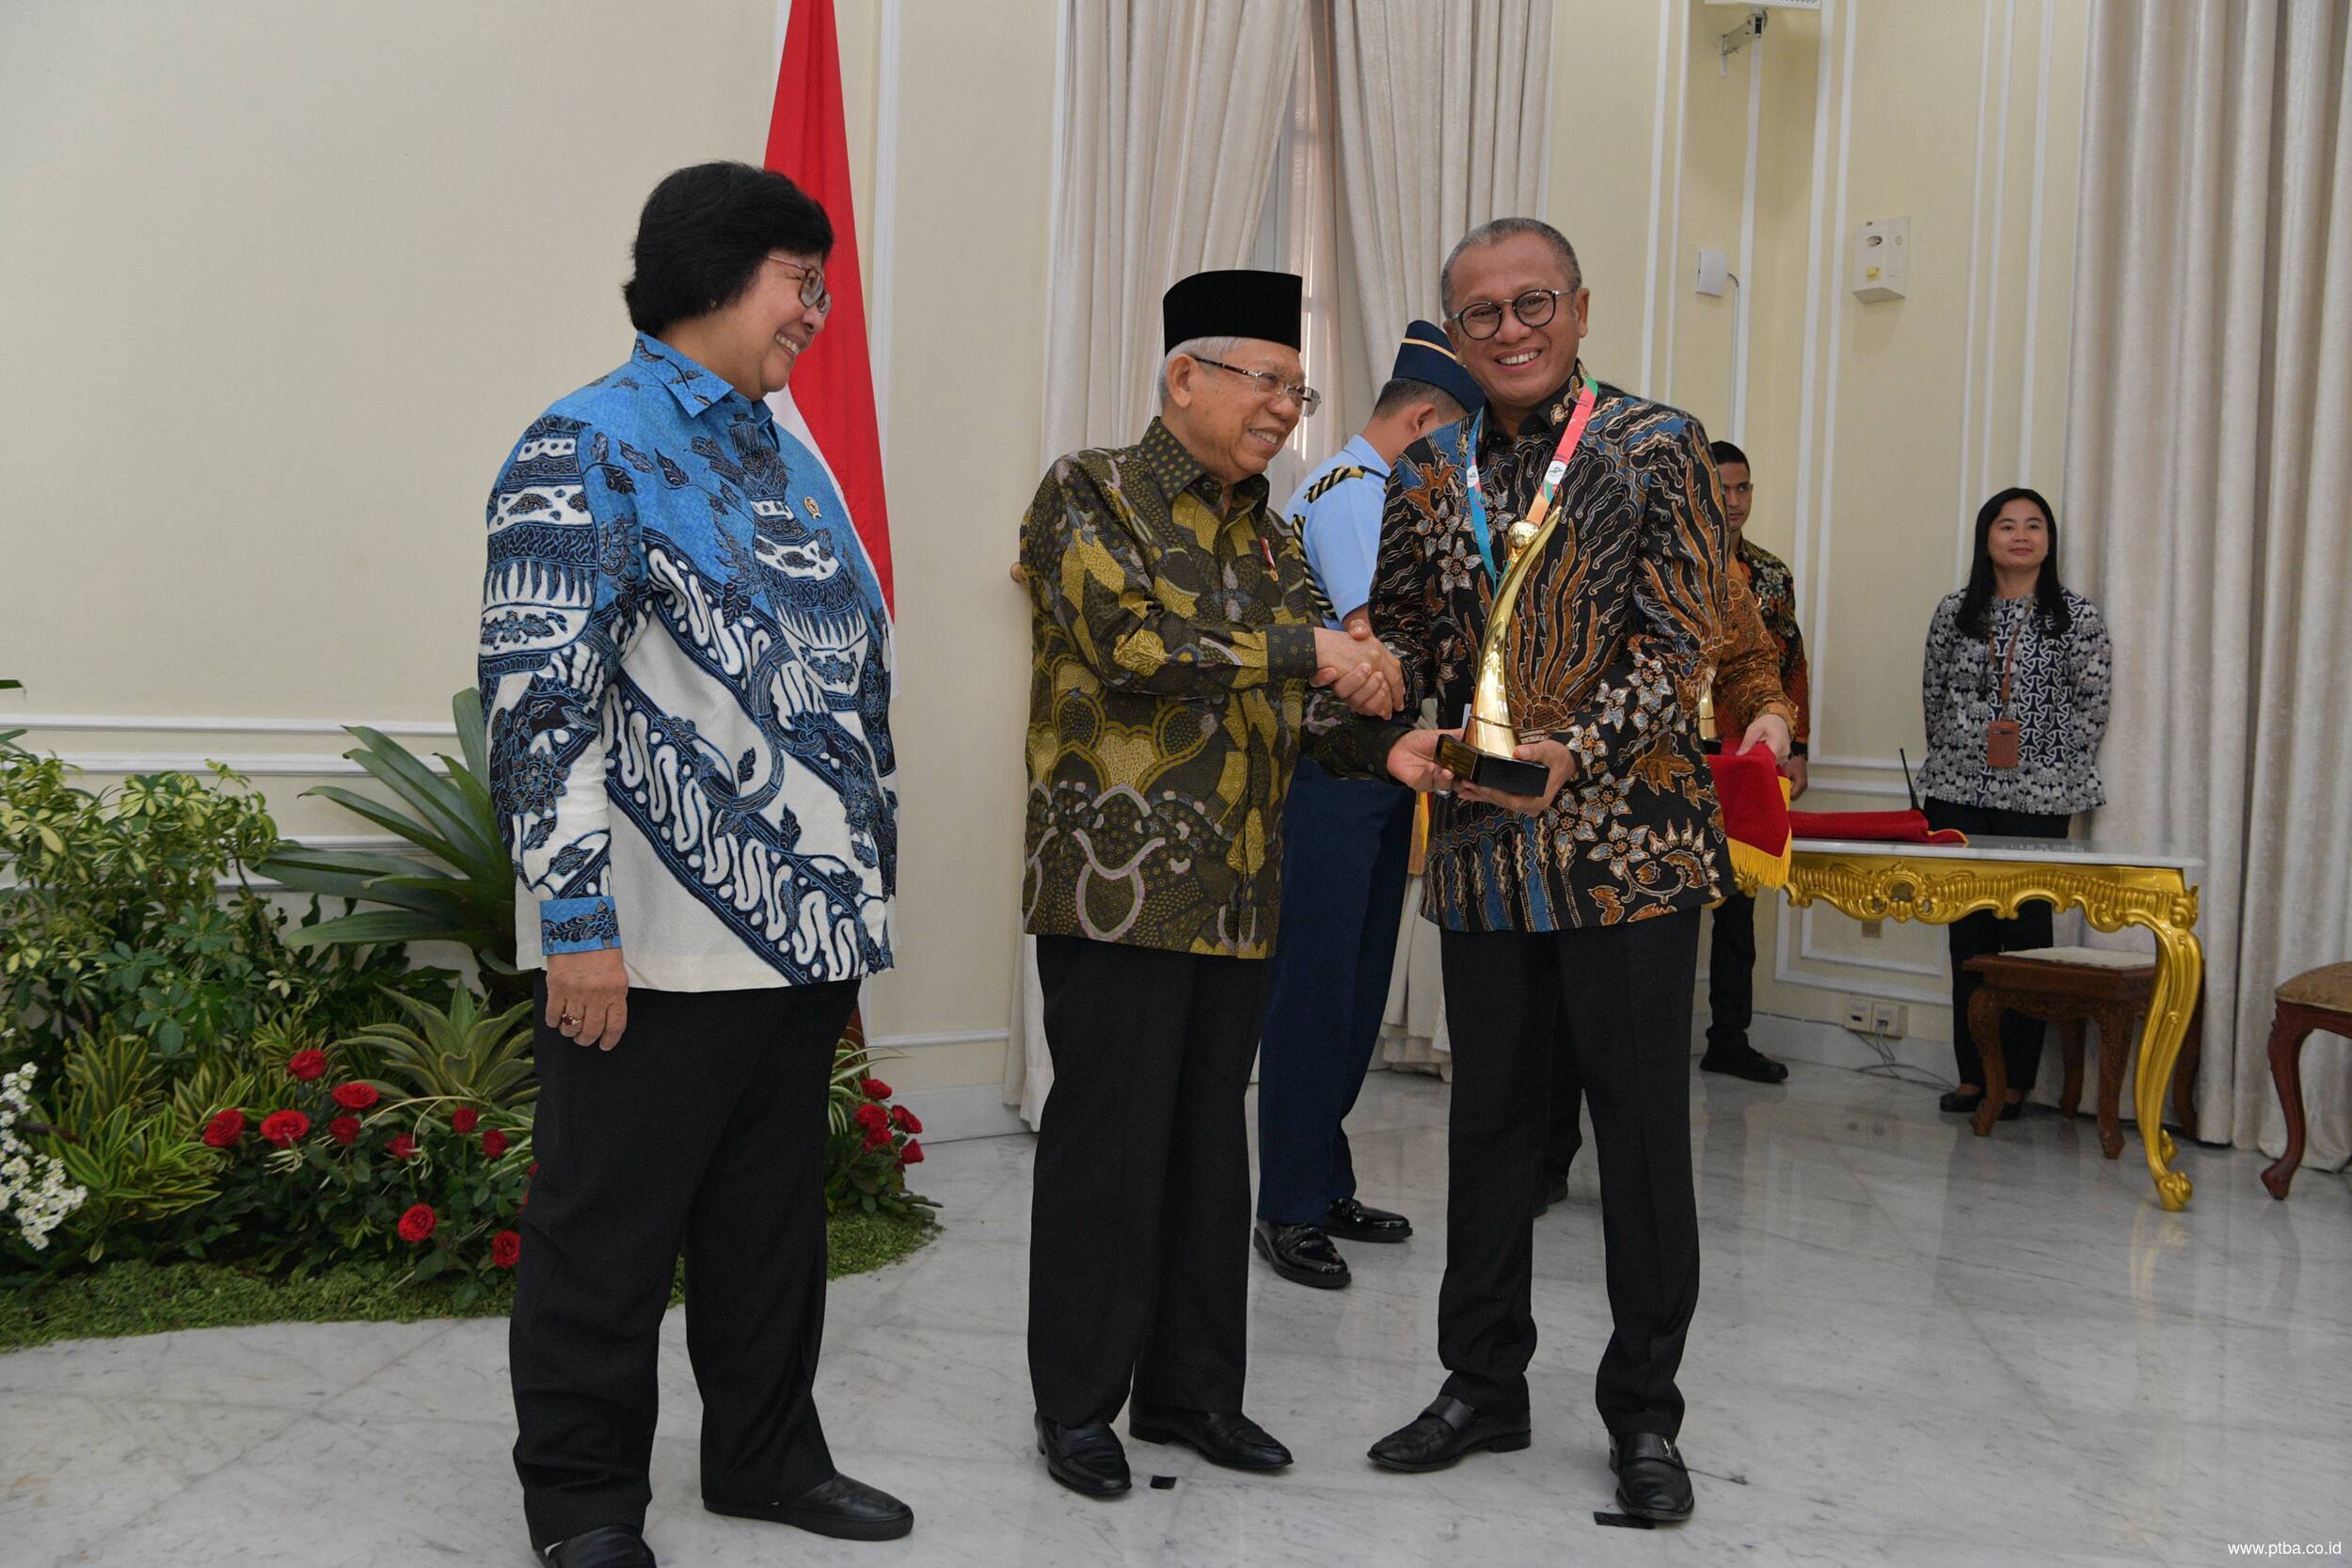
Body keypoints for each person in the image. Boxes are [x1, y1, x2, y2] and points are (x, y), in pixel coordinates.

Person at [484, 163, 912, 1568]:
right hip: (649, 938)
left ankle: (767, 1454)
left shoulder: (789, 453)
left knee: (769, 1227)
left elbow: (847, 677)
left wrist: (850, 905)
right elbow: (539, 703)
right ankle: (585, 1499)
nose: (817, 311)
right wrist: (578, 922)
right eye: (802, 280)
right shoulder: (584, 443)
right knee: (604, 1237)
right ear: (717, 274)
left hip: (794, 937)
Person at [1361, 218, 1792, 1524]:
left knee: (1641, 1139)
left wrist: (1579, 747)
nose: (1508, 328)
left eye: (1531, 302)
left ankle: (1646, 1416)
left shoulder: (1656, 443)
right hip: (1488, 860)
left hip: (1632, 855)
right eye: (1480, 311)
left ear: (1580, 307)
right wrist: (1396, 715)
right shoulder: (1427, 467)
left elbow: (1686, 642)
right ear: (1455, 326)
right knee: (1488, 1130)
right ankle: (1480, 1380)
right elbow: (1418, 635)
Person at [1019, 269, 1448, 1499]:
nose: (1283, 408)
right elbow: (1134, 642)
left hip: (1243, 884)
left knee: (1211, 1146)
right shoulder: (1088, 489)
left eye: (1297, 389)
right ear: (1185, 377)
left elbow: (1322, 684)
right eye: (1267, 381)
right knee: (1108, 1143)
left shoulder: (1272, 528)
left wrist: (1387, 720)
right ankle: (1077, 1404)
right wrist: (1317, 651)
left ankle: (1194, 1392)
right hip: (1118, 880)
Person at [1252, 322, 1485, 1291]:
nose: (1460, 467)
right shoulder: (1358, 497)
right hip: (1337, 774)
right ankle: (1290, 1205)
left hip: (1374, 777)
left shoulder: (1359, 489)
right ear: (1426, 421)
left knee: (1350, 991)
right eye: (1458, 447)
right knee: (1318, 997)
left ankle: (1325, 1173)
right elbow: (1367, 663)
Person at [1536, 439, 1809, 1209]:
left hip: (1661, 822)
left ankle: (1639, 1192)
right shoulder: (1554, 549)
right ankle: (1546, 1161)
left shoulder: (1709, 567)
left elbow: (1757, 661)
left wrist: (1771, 717)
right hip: (1557, 815)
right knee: (1554, 1011)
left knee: (1639, 1032)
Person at [1919, 486, 2112, 1118]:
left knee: (2026, 940)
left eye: (2034, 525)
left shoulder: (2074, 616)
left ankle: (2019, 1080)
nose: (2021, 535)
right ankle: (1974, 1076)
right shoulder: (1955, 612)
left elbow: (2092, 702)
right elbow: (1934, 693)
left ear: (2049, 541)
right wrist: (1955, 755)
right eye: (2008, 525)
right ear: (1987, 538)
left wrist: (2054, 766)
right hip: (1959, 793)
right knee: (1968, 938)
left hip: (2038, 797)